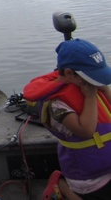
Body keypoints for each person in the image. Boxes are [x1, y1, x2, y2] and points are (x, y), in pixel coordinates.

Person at [23, 39, 111, 200]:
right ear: (70, 74)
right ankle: (62, 186)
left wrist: (104, 88)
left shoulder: (87, 84)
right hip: (87, 178)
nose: (96, 82)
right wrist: (90, 97)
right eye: (93, 77)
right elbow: (86, 131)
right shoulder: (57, 104)